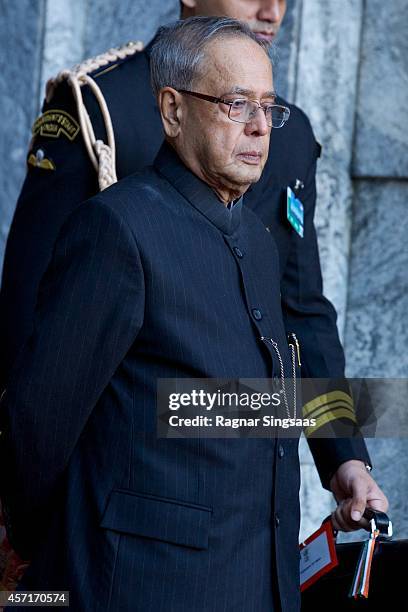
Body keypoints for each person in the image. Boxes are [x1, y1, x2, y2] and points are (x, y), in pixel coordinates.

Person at [1, 17, 325, 611]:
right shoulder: (118, 228)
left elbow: (229, 405)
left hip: (257, 582)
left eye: (267, 107)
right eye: (235, 104)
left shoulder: (255, 241)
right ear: (172, 110)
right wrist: (46, 551)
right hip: (143, 584)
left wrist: (346, 454)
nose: (259, 127)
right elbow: (36, 426)